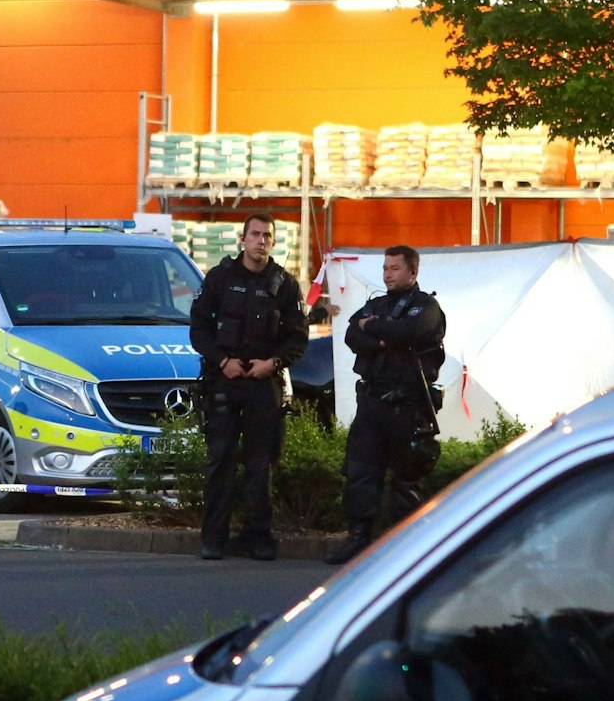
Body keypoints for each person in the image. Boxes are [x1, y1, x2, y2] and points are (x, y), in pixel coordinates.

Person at [189, 213, 308, 561]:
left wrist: (272, 363)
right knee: (220, 461)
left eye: (267, 236)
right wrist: (222, 361)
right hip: (224, 380)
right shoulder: (219, 279)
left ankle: (258, 537)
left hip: (262, 383)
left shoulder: (284, 284)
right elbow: (198, 329)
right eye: (254, 235)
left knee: (261, 465)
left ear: (273, 241)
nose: (261, 241)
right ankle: (213, 539)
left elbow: (297, 338)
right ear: (242, 239)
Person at [326, 244, 446, 565]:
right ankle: (358, 540)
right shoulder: (376, 303)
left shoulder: (426, 306)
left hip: (408, 405)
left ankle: (405, 549)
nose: (387, 274)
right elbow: (353, 335)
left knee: (408, 479)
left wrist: (376, 330)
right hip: (372, 402)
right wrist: (383, 338)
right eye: (385, 268)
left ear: (412, 271)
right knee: (360, 473)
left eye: (394, 268)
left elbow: (409, 331)